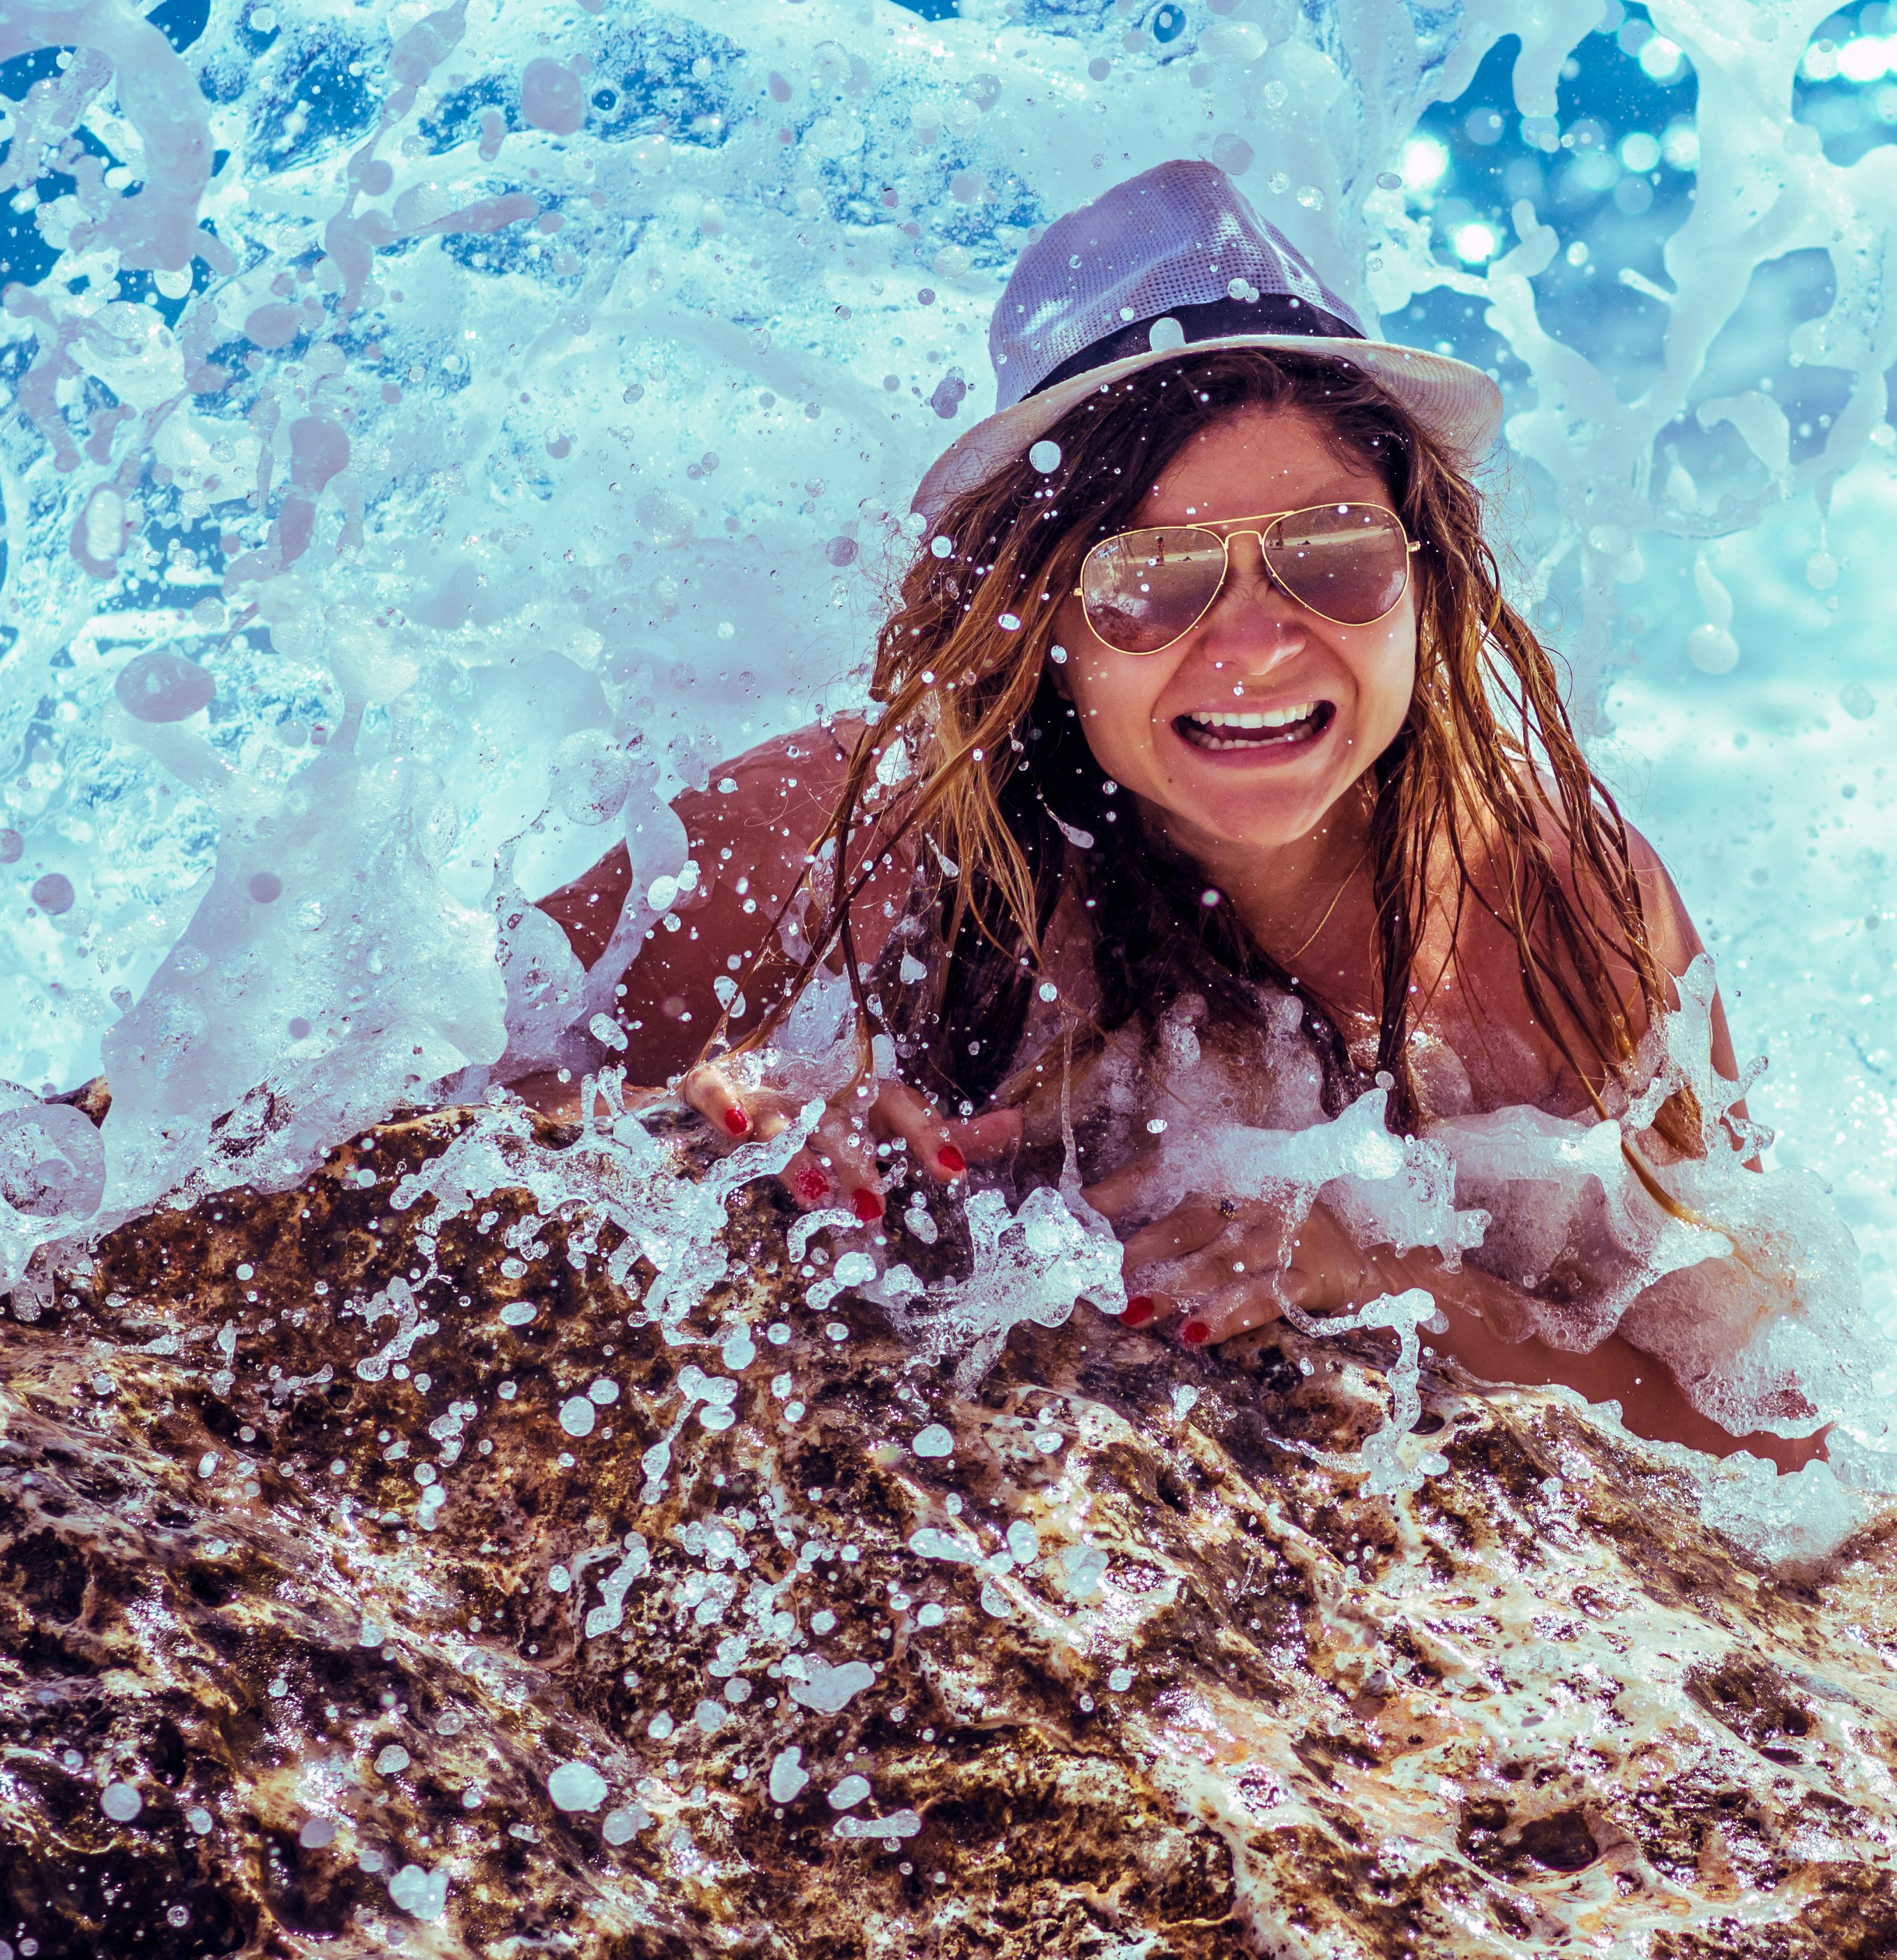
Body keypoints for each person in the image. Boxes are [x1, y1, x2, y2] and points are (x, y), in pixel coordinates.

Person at [520, 158, 1822, 1468]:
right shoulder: (834, 845)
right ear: (1036, 619)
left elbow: (1780, 1430)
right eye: (1152, 578)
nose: (1258, 646)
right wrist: (719, 1144)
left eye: (1333, 556)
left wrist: (1410, 1288)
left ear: (1429, 577)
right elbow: (401, 1135)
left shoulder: (1555, 908)